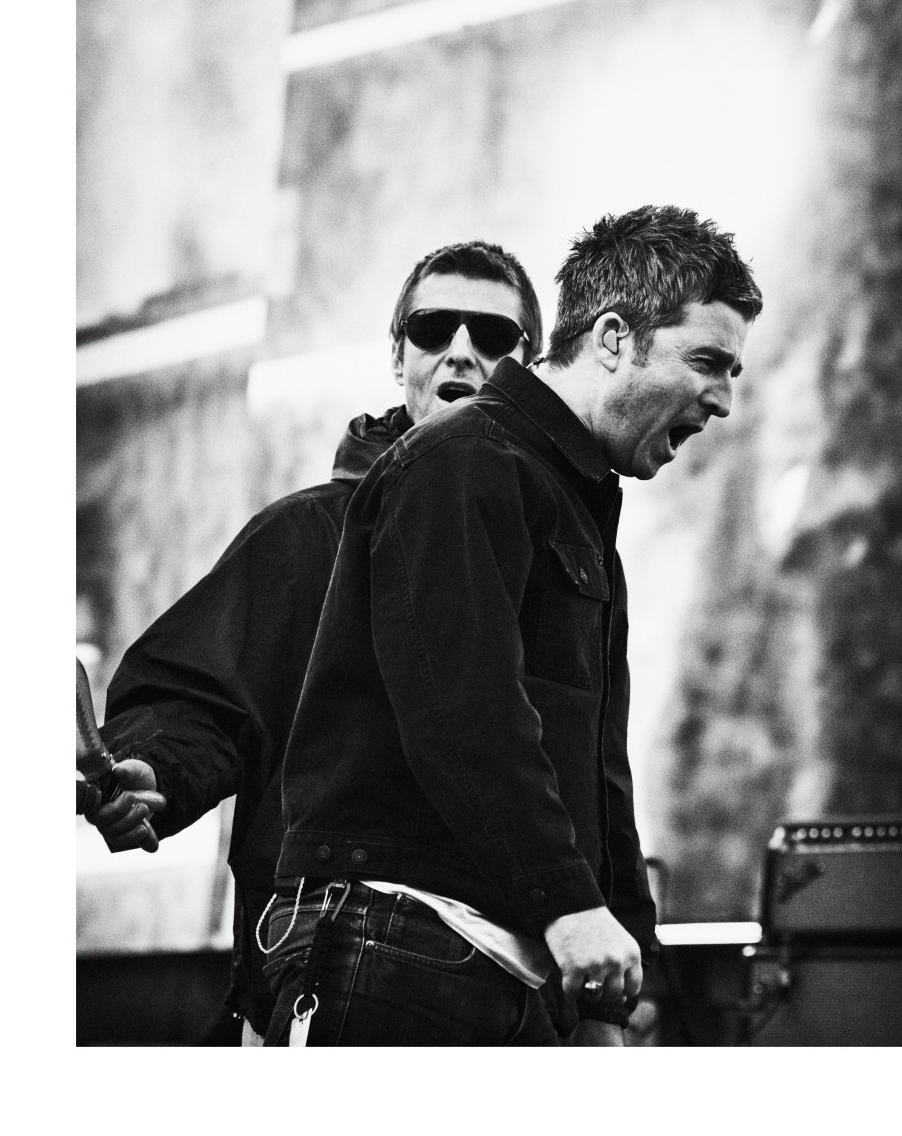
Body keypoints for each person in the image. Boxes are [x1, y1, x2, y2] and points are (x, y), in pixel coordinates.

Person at [260, 204, 761, 1046]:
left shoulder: (567, 500)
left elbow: (596, 773)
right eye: (708, 361)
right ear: (611, 338)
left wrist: (616, 975)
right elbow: (465, 712)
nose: (720, 399)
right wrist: (568, 907)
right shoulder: (462, 463)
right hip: (401, 945)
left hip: (490, 968)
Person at [82, 240, 544, 1042]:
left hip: (518, 1007)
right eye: (435, 328)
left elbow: (588, 775)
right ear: (399, 354)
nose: (463, 351)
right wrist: (150, 771)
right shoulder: (305, 539)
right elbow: (199, 699)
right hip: (329, 985)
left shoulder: (559, 560)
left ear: (527, 366)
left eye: (494, 336)